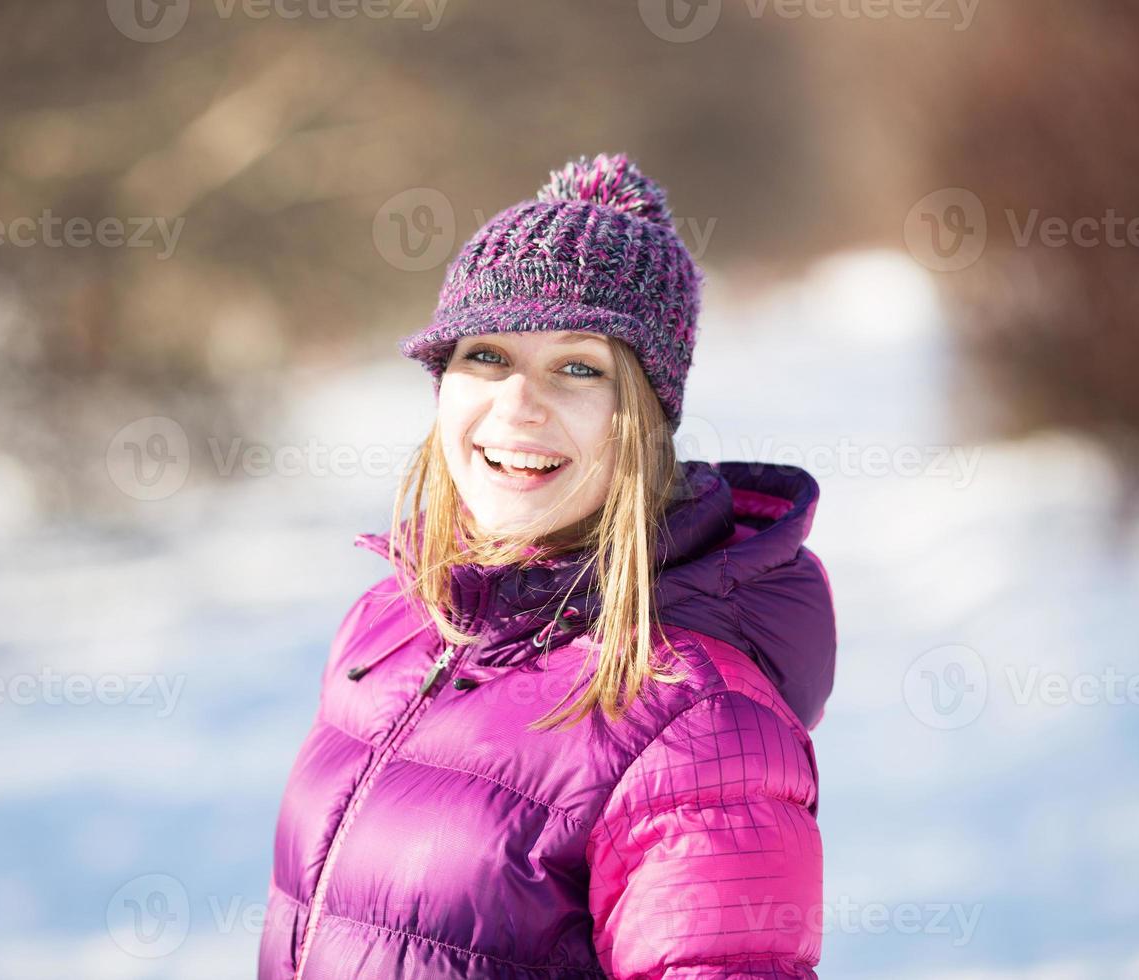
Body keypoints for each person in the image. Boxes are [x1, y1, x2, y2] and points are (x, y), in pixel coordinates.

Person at [258, 152, 837, 979]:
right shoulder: (392, 621)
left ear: (641, 417)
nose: (517, 405)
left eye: (577, 368)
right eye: (487, 355)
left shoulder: (699, 722)